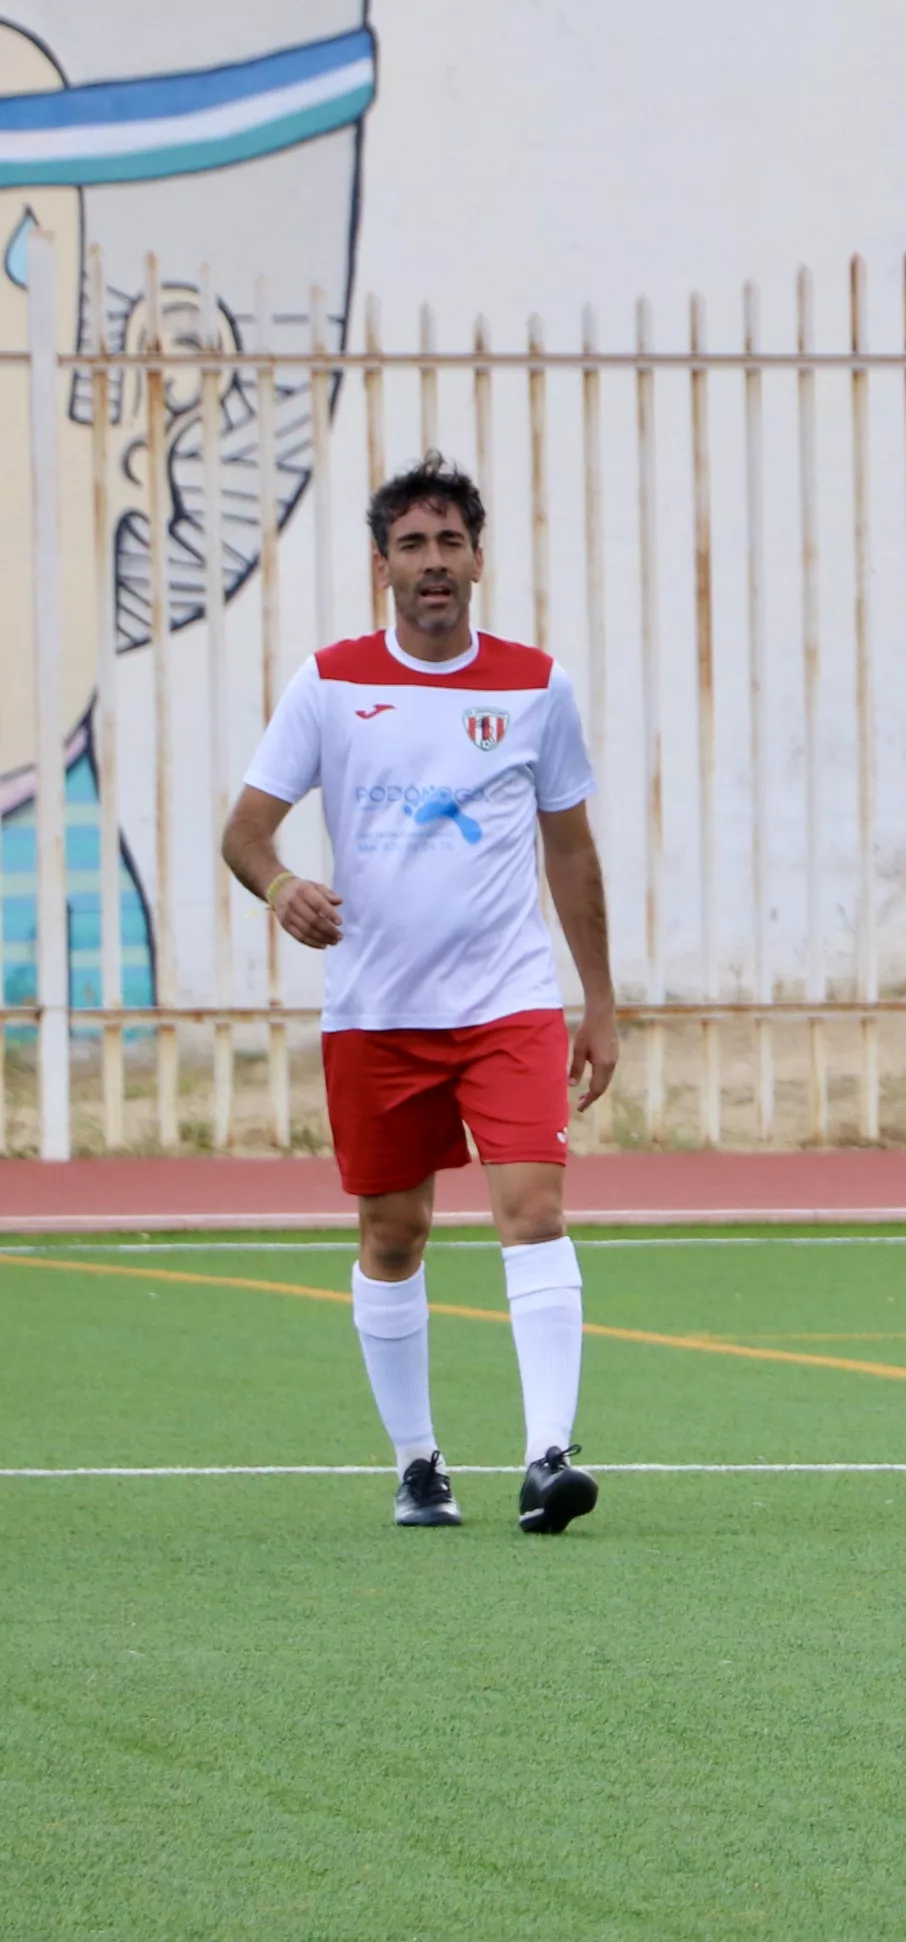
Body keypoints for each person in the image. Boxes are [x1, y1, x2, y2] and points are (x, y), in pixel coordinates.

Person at [222, 454, 621, 1536]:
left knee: (532, 1211)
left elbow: (572, 853)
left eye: (451, 543)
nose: (433, 564)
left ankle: (548, 1458)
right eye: (413, 545)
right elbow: (245, 831)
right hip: (377, 1011)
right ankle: (418, 1463)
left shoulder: (537, 685)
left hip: (509, 1003)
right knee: (393, 1235)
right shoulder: (332, 681)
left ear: (478, 560)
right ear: (382, 564)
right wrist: (283, 885)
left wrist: (599, 999)